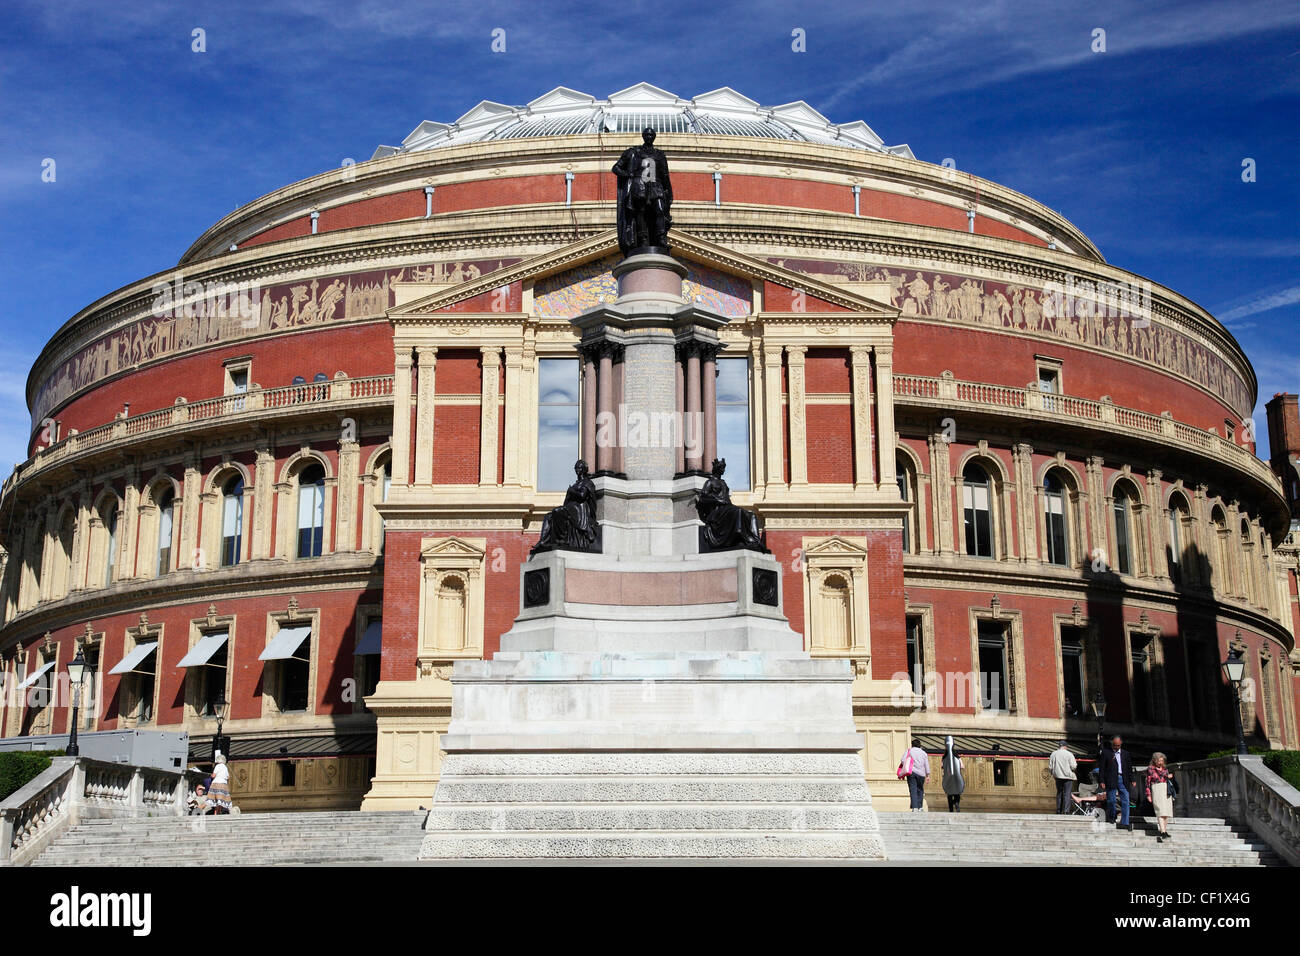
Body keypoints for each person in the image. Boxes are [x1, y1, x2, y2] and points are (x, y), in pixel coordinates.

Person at [1098, 735, 1135, 830]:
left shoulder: (1126, 754)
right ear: (1112, 744)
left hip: (1123, 779)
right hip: (1111, 779)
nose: (1116, 747)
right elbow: (1102, 768)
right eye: (1114, 745)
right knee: (1112, 800)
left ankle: (1125, 822)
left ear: (1121, 744)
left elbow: (1129, 768)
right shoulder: (1106, 753)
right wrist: (1101, 780)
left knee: (1126, 800)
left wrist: (1133, 779)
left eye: (1118, 745)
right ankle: (1112, 816)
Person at [1145, 752, 1176, 842]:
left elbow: (1166, 778)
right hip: (1157, 789)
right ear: (1154, 760)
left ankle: (1164, 831)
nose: (1160, 762)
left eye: (1162, 761)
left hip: (1166, 789)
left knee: (1166, 812)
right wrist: (1148, 795)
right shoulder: (1150, 769)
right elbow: (1148, 782)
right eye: (1159, 761)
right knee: (1160, 811)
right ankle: (1162, 831)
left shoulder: (1165, 769)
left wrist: (1168, 777)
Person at [898, 738, 931, 812]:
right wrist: (927, 775)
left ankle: (915, 807)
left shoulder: (910, 751)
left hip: (912, 772)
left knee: (913, 789)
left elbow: (903, 760)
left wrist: (908, 765)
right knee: (920, 789)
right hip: (922, 774)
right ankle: (920, 807)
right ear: (920, 745)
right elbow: (926, 764)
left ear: (912, 744)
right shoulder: (923, 753)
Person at [1048, 740, 1078, 814]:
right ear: (1065, 746)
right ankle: (1066, 810)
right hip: (1067, 777)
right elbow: (1073, 766)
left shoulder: (1053, 754)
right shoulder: (1069, 754)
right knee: (1067, 793)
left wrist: (1053, 774)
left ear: (1059, 746)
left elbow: (1050, 767)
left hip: (1058, 776)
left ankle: (1058, 810)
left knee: (1059, 793)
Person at [941, 736, 965, 812]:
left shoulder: (944, 756)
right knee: (957, 793)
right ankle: (956, 803)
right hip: (956, 778)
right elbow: (961, 765)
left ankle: (951, 809)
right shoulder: (956, 754)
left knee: (949, 794)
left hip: (948, 778)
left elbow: (942, 766)